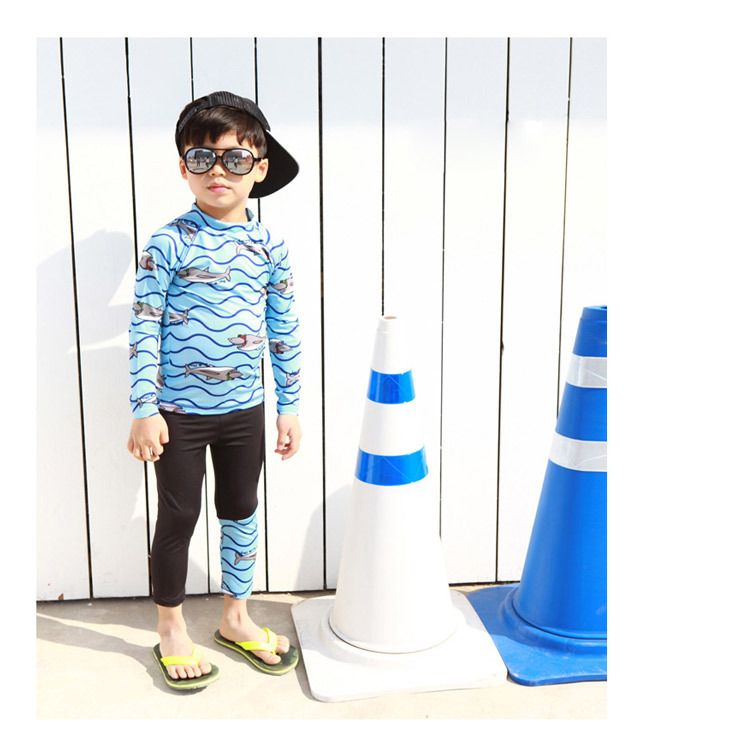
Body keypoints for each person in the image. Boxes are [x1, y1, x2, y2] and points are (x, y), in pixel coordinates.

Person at [126, 90, 302, 690]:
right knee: (179, 514)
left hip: (245, 411)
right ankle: (171, 626)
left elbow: (283, 327)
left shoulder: (270, 246)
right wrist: (144, 408)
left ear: (260, 168)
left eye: (235, 158)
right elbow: (144, 324)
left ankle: (235, 616)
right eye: (202, 158)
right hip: (176, 412)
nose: (218, 171)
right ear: (184, 168)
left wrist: (289, 406)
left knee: (241, 509)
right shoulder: (169, 241)